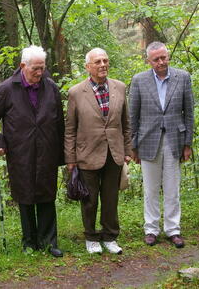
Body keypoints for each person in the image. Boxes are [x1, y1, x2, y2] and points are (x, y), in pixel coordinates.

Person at [0, 45, 65, 257]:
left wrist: (64, 154)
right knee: (25, 196)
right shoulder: (6, 89)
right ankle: (29, 242)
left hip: (47, 149)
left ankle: (49, 242)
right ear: (22, 66)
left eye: (42, 68)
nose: (39, 73)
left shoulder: (51, 87)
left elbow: (60, 122)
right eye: (35, 68)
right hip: (21, 152)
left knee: (47, 195)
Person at [65, 48, 132, 254]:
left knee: (111, 197)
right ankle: (91, 237)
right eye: (98, 62)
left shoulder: (119, 87)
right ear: (88, 67)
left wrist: (127, 150)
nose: (103, 64)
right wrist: (71, 158)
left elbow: (126, 123)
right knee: (90, 199)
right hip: (87, 153)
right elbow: (70, 129)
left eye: (105, 60)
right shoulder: (76, 92)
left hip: (114, 152)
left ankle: (110, 236)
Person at [129, 41, 194, 248]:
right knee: (150, 189)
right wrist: (134, 146)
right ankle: (151, 229)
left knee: (172, 188)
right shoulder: (139, 81)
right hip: (148, 140)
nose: (161, 62)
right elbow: (133, 116)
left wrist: (188, 143)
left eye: (163, 57)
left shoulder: (182, 77)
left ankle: (173, 229)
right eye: (156, 59)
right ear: (149, 61)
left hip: (175, 139)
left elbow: (189, 113)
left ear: (168, 56)